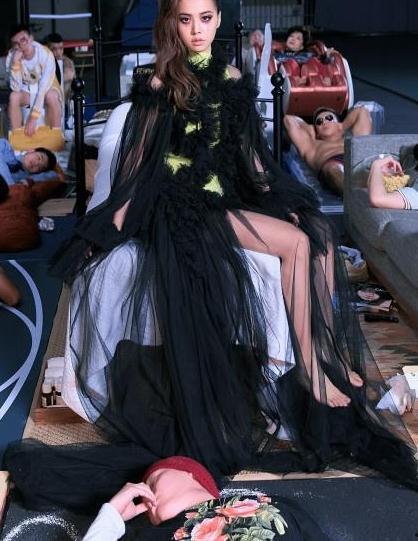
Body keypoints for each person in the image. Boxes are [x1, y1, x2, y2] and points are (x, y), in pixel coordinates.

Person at [4, 0, 418, 511]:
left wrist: (280, 197)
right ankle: (311, 367)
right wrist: (107, 225)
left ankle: (324, 355)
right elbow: (140, 165)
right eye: (185, 20)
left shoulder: (232, 78)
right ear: (173, 24)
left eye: (205, 18)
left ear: (218, 20)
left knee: (313, 231)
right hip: (181, 205)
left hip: (224, 196)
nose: (196, 30)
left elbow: (249, 159)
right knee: (295, 244)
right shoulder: (160, 82)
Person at [82, 456, 328, 541]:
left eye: (153, 482)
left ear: (191, 474)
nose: (147, 500)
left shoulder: (266, 503)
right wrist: (111, 517)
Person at [284, 106, 373, 195]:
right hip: (332, 164)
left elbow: (362, 111)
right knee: (332, 168)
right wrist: (310, 129)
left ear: (338, 124)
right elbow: (289, 119)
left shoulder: (354, 140)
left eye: (329, 118)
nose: (324, 122)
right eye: (319, 122)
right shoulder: (311, 145)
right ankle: (354, 194)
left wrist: (342, 126)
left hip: (356, 160)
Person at [6, 24, 63, 137]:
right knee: (13, 96)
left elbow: (43, 87)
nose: (20, 45)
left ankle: (56, 136)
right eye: (16, 43)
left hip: (47, 89)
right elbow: (15, 88)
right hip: (27, 92)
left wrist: (33, 117)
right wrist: (15, 64)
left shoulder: (45, 54)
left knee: (51, 96)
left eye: (23, 40)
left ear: (31, 38)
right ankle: (17, 138)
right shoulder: (11, 56)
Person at [45, 32, 75, 102]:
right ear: (47, 48)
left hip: (65, 100)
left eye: (61, 48)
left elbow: (69, 75)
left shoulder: (66, 61)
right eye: (54, 49)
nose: (58, 52)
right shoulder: (43, 60)